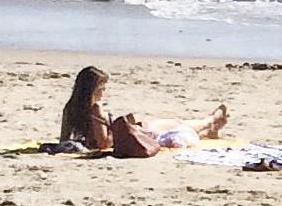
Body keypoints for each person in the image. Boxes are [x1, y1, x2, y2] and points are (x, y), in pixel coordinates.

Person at [58, 66, 231, 154]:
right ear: (91, 89)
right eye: (102, 87)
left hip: (132, 132)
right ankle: (212, 119)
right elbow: (105, 143)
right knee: (180, 125)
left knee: (180, 129)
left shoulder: (70, 107)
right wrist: (121, 125)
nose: (104, 91)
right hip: (138, 131)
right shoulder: (96, 109)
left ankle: (211, 127)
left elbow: (63, 139)